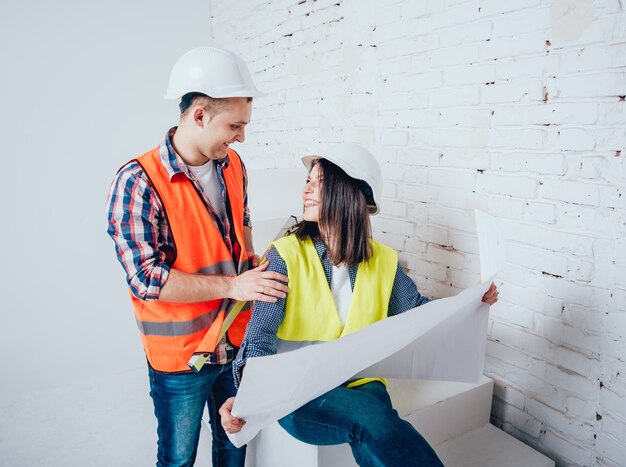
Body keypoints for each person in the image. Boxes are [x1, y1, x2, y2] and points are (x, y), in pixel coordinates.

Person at [219, 144, 499, 466]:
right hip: (297, 391)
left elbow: (418, 313)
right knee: (372, 418)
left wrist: (469, 302)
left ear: (348, 192)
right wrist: (247, 395)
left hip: (360, 380)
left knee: (377, 423)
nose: (305, 189)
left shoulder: (383, 260)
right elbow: (260, 333)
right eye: (306, 180)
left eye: (317, 181)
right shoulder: (285, 255)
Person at [106, 46, 290, 467]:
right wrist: (234, 284)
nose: (241, 136)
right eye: (235, 125)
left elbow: (239, 227)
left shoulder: (233, 164)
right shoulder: (137, 182)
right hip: (182, 359)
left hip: (237, 343)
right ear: (200, 115)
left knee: (233, 447)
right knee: (177, 458)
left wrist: (252, 264)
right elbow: (146, 279)